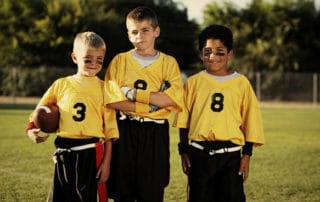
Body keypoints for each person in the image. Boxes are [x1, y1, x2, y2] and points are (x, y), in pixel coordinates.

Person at [173, 24, 265, 202]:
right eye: (207, 52)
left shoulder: (241, 83)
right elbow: (184, 120)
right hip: (199, 154)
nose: (213, 57)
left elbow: (250, 121)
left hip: (230, 157)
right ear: (201, 54)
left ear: (230, 53)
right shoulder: (193, 83)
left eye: (220, 52)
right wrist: (183, 149)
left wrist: (246, 156)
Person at [25, 31, 118, 202]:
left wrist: (106, 163)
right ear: (75, 57)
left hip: (90, 152)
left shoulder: (105, 89)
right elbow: (40, 110)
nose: (94, 64)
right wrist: (31, 129)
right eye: (88, 59)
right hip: (63, 153)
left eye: (99, 60)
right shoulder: (61, 84)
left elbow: (110, 131)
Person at [104, 6, 184, 202]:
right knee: (123, 191)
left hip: (155, 133)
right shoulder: (120, 61)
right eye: (134, 32)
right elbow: (113, 100)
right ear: (129, 35)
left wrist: (131, 93)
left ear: (156, 31)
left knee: (152, 191)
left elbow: (170, 99)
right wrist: (149, 106)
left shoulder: (168, 63)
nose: (139, 36)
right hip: (125, 130)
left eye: (145, 30)